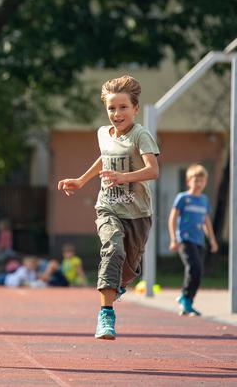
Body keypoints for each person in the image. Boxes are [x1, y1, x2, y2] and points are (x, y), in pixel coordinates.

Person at [57, 75, 159, 340]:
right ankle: (106, 316)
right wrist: (80, 181)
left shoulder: (141, 134)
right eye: (111, 108)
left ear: (135, 108)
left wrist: (124, 177)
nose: (117, 113)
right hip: (108, 207)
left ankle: (118, 285)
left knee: (128, 270)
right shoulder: (103, 133)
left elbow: (153, 170)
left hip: (138, 214)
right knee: (112, 249)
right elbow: (104, 158)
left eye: (123, 107)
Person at [168, 164, 219, 316]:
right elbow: (173, 218)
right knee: (193, 268)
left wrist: (212, 240)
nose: (199, 184)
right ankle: (185, 296)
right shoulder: (183, 198)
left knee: (198, 271)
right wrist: (173, 239)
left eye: (202, 181)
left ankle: (187, 302)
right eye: (196, 180)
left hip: (199, 242)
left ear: (205, 182)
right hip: (185, 240)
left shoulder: (204, 200)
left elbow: (206, 221)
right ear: (188, 181)